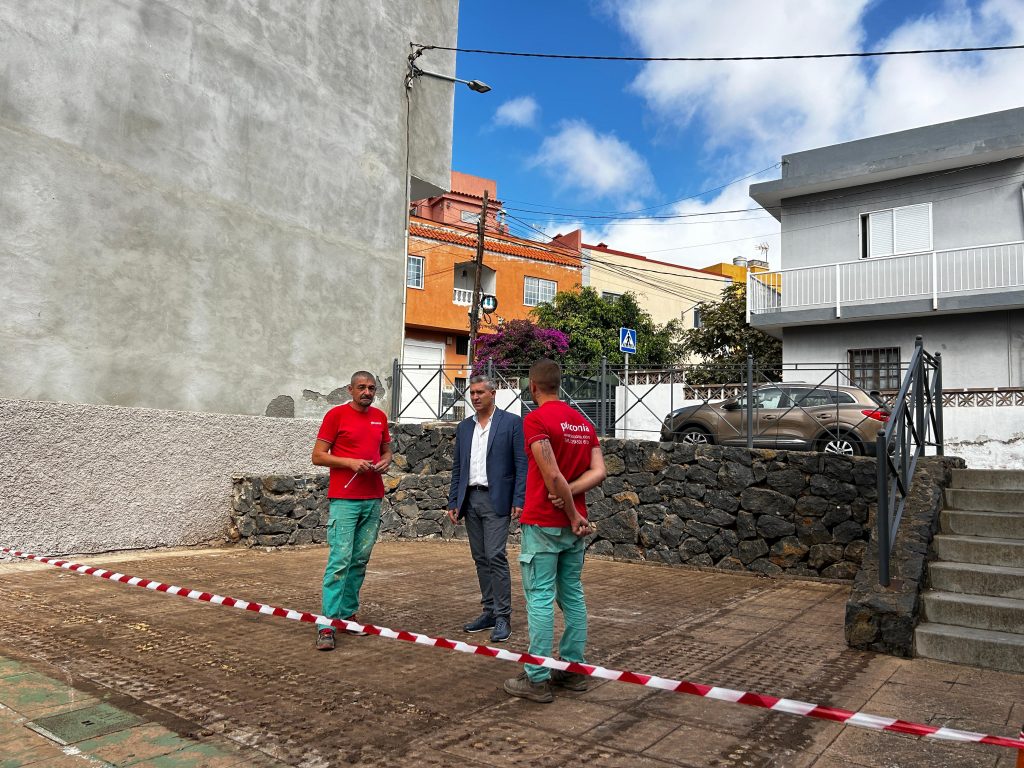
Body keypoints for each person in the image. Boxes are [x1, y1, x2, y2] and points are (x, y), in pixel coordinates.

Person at [503, 359, 606, 703]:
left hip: (545, 523)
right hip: (573, 529)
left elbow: (552, 477)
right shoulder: (583, 422)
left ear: (532, 386)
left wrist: (571, 509)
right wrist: (576, 504)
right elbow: (599, 472)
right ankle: (574, 670)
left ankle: (537, 677)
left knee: (541, 598)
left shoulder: (536, 420)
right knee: (572, 595)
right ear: (560, 384)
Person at [311, 371, 392, 651]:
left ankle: (348, 615)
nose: (367, 392)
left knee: (359, 561)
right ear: (350, 389)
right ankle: (326, 625)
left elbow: (387, 452)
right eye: (361, 387)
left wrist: (384, 462)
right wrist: (350, 463)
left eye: (371, 388)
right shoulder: (336, 416)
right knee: (339, 561)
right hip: (344, 499)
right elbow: (317, 455)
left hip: (373, 498)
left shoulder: (380, 418)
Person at [447, 375, 527, 643]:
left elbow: (521, 464)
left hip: (497, 499)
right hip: (470, 499)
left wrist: (519, 499)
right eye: (472, 393)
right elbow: (458, 467)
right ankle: (489, 611)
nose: (475, 397)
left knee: (495, 555)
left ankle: (503, 616)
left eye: (480, 392)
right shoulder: (464, 427)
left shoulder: (512, 423)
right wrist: (453, 501)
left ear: (493, 393)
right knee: (480, 557)